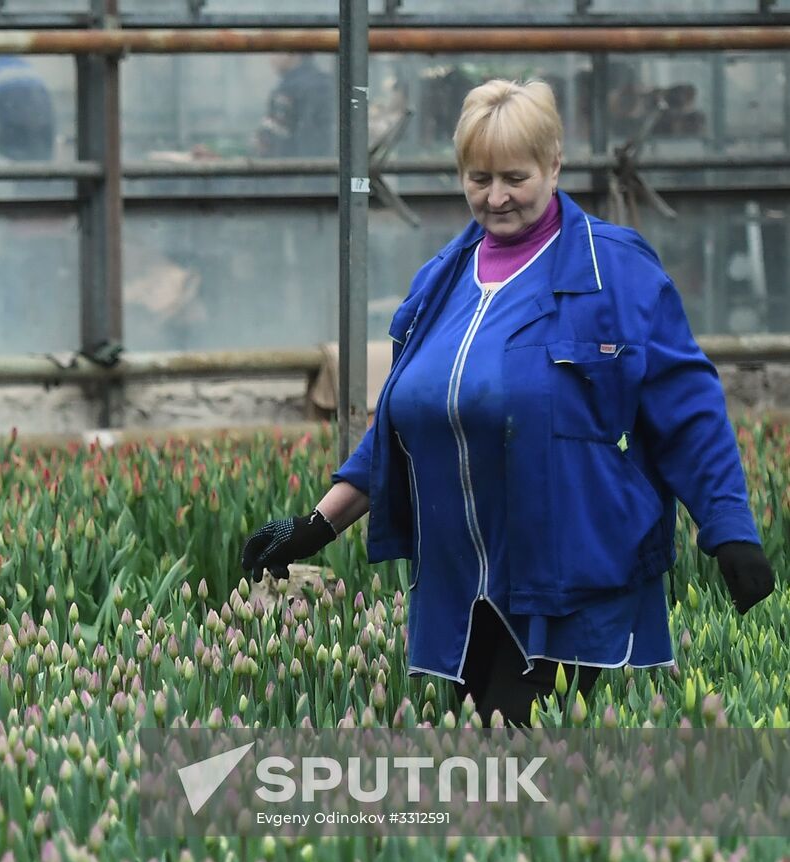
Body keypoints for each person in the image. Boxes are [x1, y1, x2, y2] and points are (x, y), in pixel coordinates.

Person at [240, 79, 775, 728]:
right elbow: (404, 425)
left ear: (555, 164)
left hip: (574, 579)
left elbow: (688, 413)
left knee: (529, 771)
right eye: (478, 178)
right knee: (496, 787)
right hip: (468, 592)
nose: (496, 198)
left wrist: (730, 532)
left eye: (515, 177)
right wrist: (316, 526)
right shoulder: (442, 280)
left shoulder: (615, 271)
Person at [255, 53, 334, 158]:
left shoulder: (290, 90)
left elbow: (271, 141)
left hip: (294, 168)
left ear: (294, 53)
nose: (271, 57)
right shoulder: (326, 83)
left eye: (275, 51)